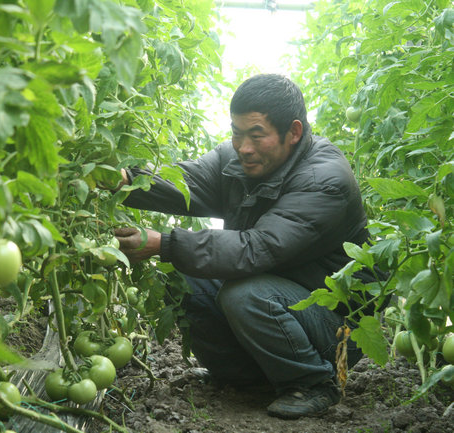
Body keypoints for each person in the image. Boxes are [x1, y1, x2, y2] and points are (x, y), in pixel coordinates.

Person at [112, 74, 378, 419]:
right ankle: (242, 378)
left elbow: (257, 248)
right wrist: (125, 179)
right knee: (186, 277)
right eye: (237, 132)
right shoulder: (236, 157)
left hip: (336, 326)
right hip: (281, 296)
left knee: (244, 294)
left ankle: (314, 382)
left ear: (293, 132)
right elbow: (188, 183)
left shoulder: (325, 181)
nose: (243, 147)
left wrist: (163, 243)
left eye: (256, 135)